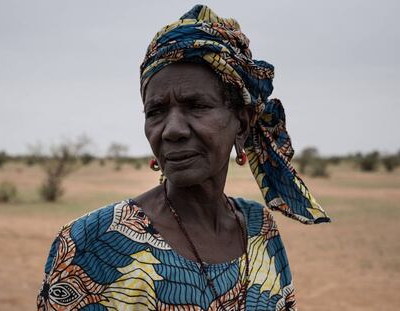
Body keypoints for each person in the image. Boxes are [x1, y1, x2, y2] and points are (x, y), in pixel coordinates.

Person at [37, 5, 330, 310]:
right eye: (156, 111)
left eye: (196, 105)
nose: (172, 130)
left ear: (241, 125)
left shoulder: (260, 230)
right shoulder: (91, 242)